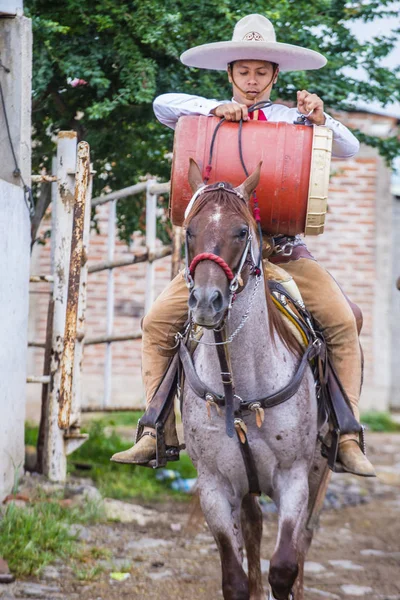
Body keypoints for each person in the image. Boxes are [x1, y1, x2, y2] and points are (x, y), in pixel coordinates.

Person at [111, 14, 375, 477]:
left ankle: (347, 435)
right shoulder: (205, 112)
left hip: (282, 251)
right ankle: (155, 430)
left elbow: (349, 147)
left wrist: (321, 116)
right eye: (243, 72)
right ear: (230, 74)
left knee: (342, 320)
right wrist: (213, 108)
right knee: (156, 322)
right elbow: (161, 105)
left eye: (261, 73)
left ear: (275, 75)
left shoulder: (293, 118)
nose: (251, 82)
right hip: (220, 255)